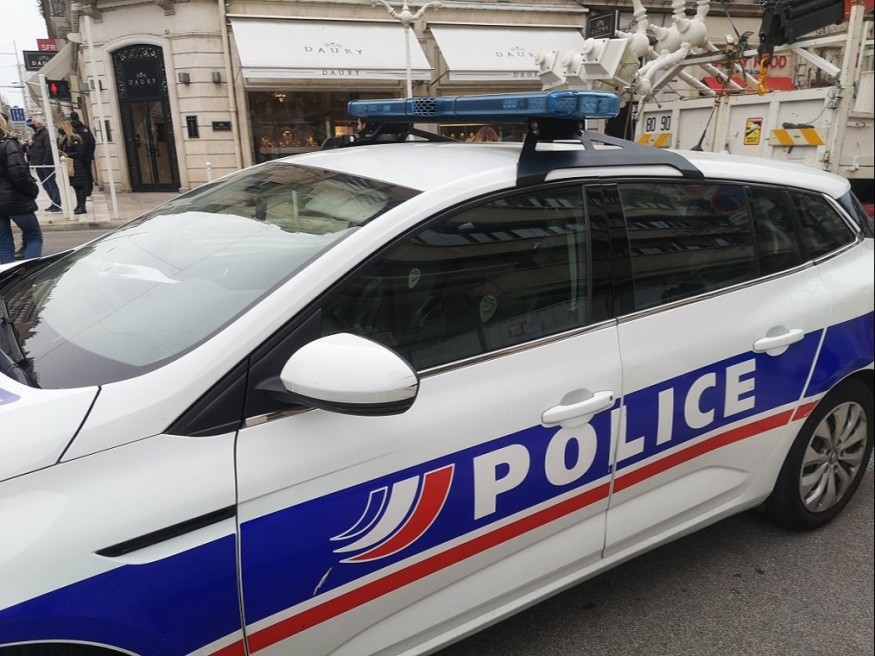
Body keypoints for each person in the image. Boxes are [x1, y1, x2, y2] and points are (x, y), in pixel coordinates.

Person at [0, 113, 43, 264]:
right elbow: (19, 174)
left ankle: (8, 277)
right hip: (15, 199)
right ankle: (31, 273)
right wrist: (33, 190)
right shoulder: (8, 145)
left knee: (3, 243)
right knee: (34, 237)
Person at [27, 117, 62, 212]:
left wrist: (45, 162)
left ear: (39, 124)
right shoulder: (35, 135)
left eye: (34, 123)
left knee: (51, 183)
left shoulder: (46, 134)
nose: (32, 125)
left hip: (45, 164)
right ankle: (54, 202)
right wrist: (30, 144)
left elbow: (48, 148)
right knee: (45, 184)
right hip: (38, 163)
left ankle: (57, 202)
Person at [57, 122, 88, 215]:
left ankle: (82, 206)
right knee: (76, 186)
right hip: (69, 164)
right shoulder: (63, 139)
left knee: (79, 186)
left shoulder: (74, 138)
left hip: (75, 164)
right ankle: (79, 205)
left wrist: (66, 154)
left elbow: (79, 152)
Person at [68, 111, 96, 198]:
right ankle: (89, 190)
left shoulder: (70, 130)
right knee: (88, 172)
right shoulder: (85, 128)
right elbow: (92, 142)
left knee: (78, 174)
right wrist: (90, 153)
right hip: (87, 156)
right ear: (78, 117)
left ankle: (82, 191)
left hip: (75, 156)